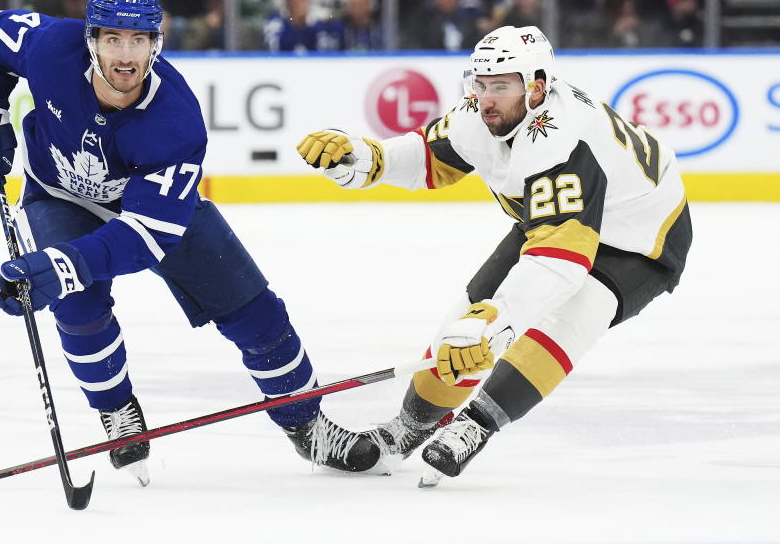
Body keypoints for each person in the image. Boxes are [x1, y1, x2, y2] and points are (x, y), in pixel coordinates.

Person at [0, 0, 381, 485]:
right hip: (60, 194)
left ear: (157, 42)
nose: (126, 54)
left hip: (149, 214)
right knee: (78, 308)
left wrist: (62, 265)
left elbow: (144, 237)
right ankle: (117, 411)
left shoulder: (175, 120)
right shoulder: (50, 48)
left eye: (139, 39)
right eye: (113, 38)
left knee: (254, 309)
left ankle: (308, 424)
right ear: (90, 40)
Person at [296, 25, 692, 485]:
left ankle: (476, 426)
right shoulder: (480, 112)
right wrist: (366, 158)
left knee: (566, 323)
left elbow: (562, 258)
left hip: (640, 238)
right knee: (459, 325)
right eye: (480, 84)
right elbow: (431, 156)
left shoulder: (560, 140)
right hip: (550, 223)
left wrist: (499, 322)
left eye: (500, 86)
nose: (485, 98)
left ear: (537, 86)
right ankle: (402, 434)